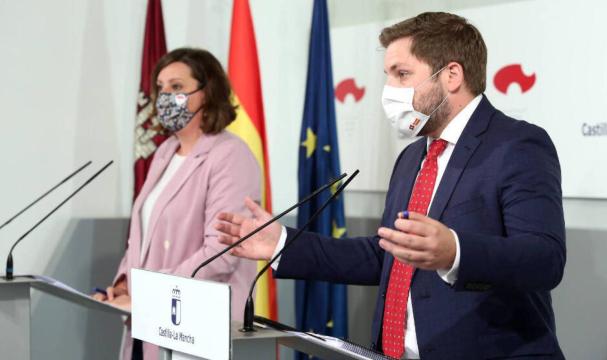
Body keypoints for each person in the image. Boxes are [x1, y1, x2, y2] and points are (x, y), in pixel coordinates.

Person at [215, 12, 566, 360]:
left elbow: (544, 259)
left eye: (403, 74)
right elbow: (386, 255)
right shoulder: (413, 157)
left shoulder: (517, 145)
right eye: (388, 76)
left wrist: (455, 252)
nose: (390, 90)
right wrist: (281, 244)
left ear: (452, 76)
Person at [93, 47, 260, 360]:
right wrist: (125, 283)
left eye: (177, 87)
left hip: (194, 329)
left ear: (207, 92)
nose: (165, 96)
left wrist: (146, 295)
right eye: (161, 88)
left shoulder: (230, 155)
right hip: (149, 320)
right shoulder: (165, 152)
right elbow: (142, 236)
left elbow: (220, 254)